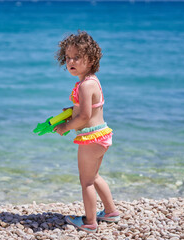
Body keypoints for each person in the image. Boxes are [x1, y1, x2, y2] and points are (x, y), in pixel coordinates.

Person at [53, 31, 120, 233]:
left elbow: (84, 117)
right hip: (102, 135)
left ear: (90, 60)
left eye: (76, 57)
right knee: (95, 176)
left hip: (90, 138)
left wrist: (65, 126)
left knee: (86, 182)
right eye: (67, 58)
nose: (70, 61)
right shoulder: (92, 81)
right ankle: (110, 212)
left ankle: (90, 222)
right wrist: (70, 111)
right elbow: (87, 109)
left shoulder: (84, 85)